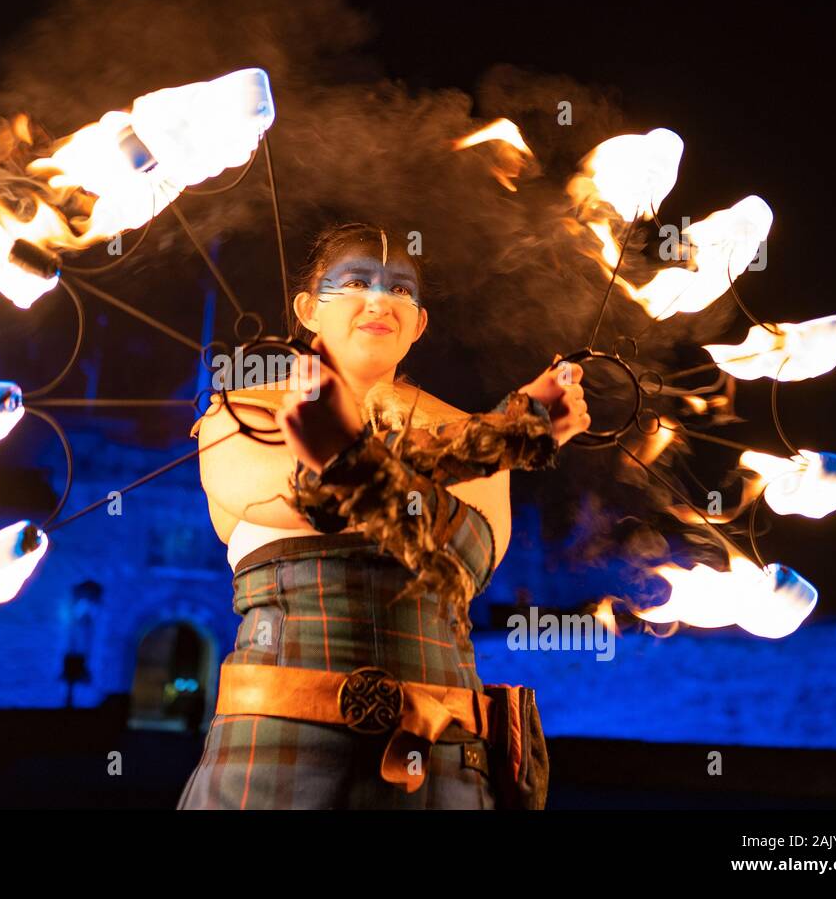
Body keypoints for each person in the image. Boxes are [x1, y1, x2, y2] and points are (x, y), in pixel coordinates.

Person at [177, 222, 590, 809]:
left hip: (448, 769)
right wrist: (500, 437)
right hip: (276, 756)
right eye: (354, 281)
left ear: (419, 323)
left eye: (401, 290)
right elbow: (309, 497)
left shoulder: (489, 434)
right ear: (308, 309)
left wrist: (486, 439)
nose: (380, 300)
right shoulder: (241, 414)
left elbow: (460, 563)